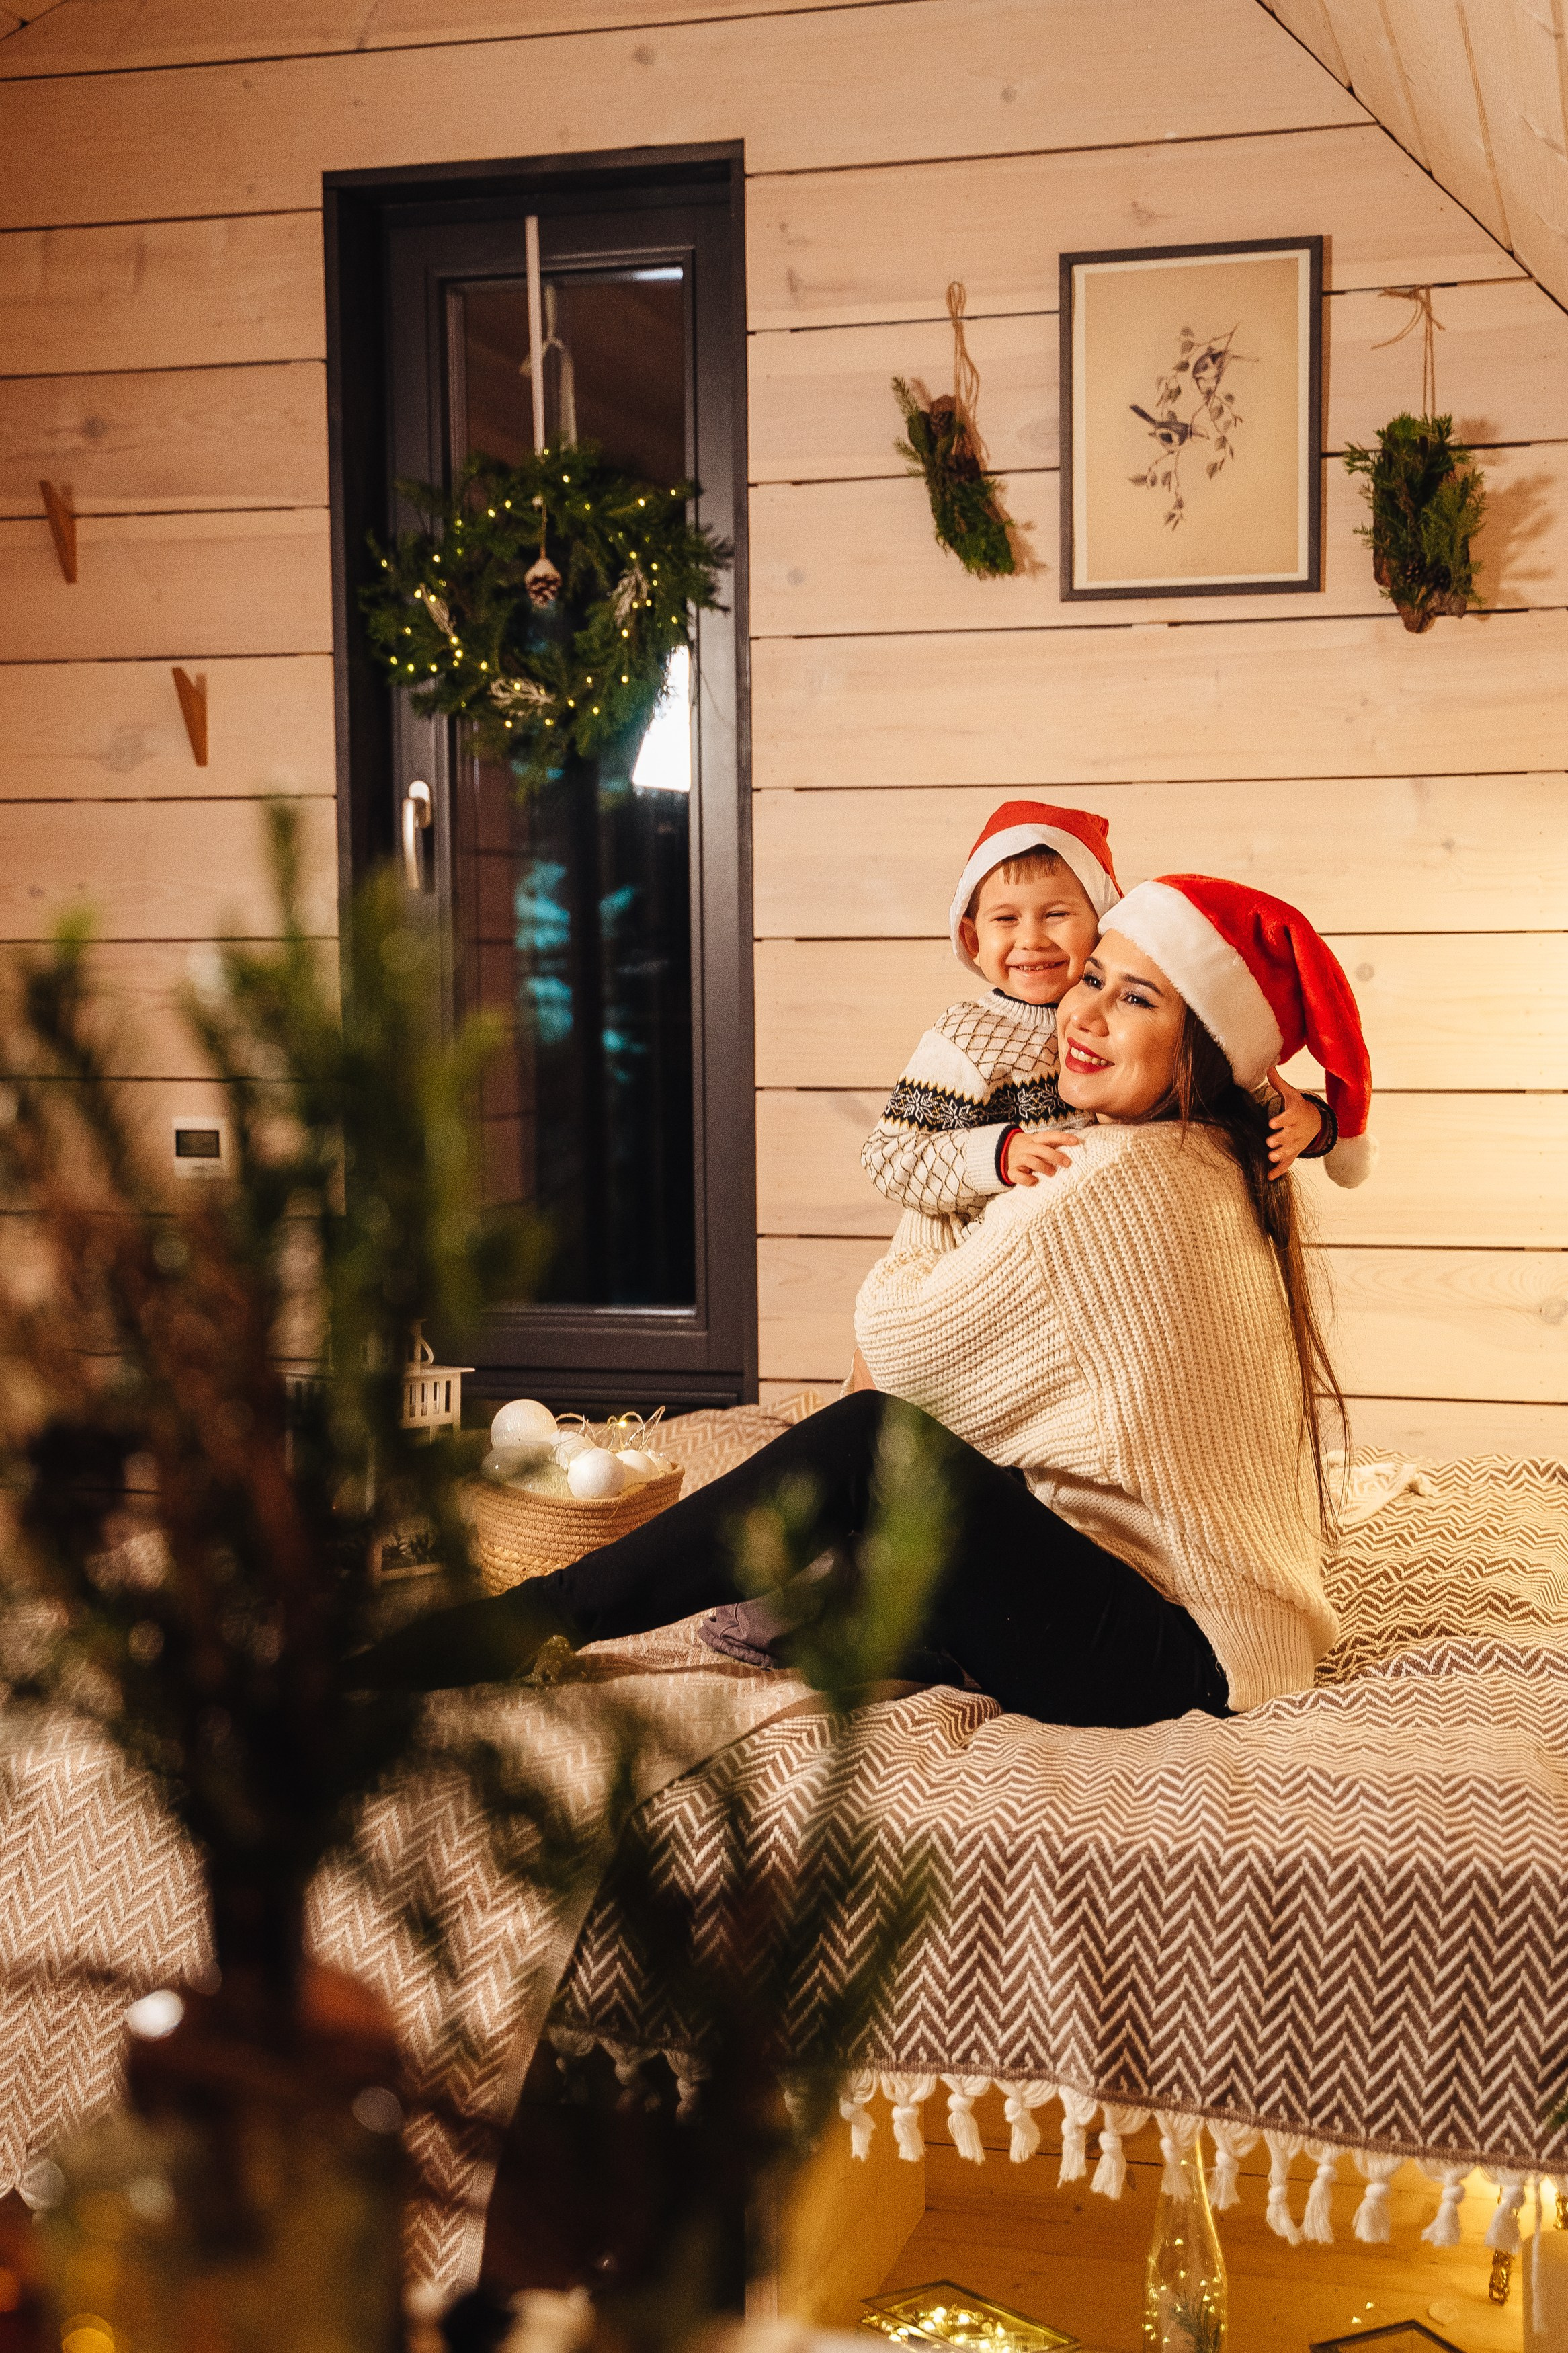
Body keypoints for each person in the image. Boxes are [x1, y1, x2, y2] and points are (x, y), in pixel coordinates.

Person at [356, 875, 1374, 1730]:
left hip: (1172, 1656)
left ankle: (541, 1615)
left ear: (1206, 1046)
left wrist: (954, 1181)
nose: (1084, 1014)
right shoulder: (1219, 1156)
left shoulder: (1111, 1180)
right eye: (1092, 976)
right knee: (905, 1488)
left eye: (1138, 1000)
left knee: (867, 1441)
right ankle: (802, 1607)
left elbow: (902, 1344)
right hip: (1232, 1629)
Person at [860, 804, 1344, 1262]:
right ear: (972, 940)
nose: (1030, 939)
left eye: (1056, 915)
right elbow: (888, 1155)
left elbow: (1236, 1098)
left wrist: (1315, 1124)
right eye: (1006, 919)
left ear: (1101, 927)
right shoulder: (964, 1039)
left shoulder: (1132, 1038)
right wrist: (998, 1155)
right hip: (982, 1256)